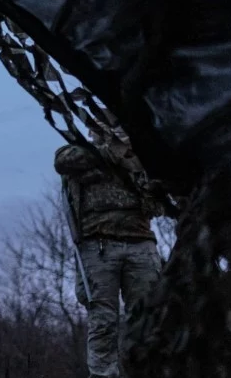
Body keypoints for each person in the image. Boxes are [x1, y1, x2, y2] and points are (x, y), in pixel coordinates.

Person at [55, 129, 165, 378]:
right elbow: (62, 161)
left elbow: (158, 199)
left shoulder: (139, 158)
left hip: (141, 244)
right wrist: (108, 152)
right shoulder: (79, 153)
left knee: (147, 317)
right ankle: (104, 375)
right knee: (103, 320)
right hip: (99, 247)